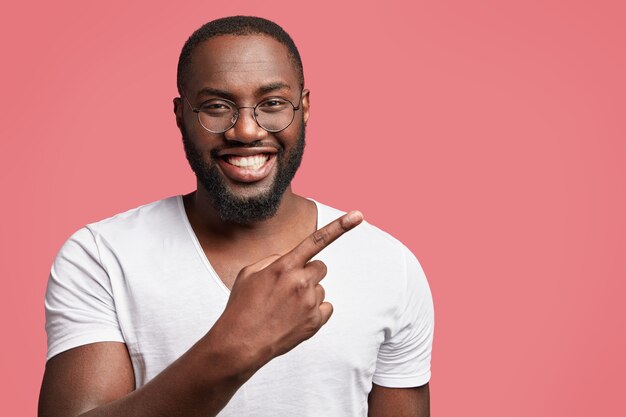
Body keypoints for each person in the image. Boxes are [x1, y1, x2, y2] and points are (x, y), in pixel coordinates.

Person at [38, 16, 434, 417]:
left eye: (273, 104)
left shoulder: (388, 265)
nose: (245, 130)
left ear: (306, 107)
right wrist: (235, 347)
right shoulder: (102, 256)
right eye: (216, 107)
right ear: (181, 115)